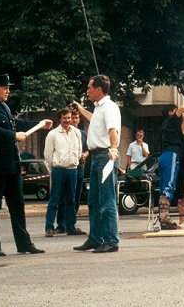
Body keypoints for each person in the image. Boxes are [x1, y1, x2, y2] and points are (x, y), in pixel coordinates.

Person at [0, 73, 52, 257]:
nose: (8, 91)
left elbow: (17, 123)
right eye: (5, 87)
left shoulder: (4, 107)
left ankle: (24, 244)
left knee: (18, 205)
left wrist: (40, 124)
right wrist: (13, 136)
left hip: (11, 164)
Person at [72, 75, 121, 253]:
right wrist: (79, 108)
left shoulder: (109, 107)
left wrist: (113, 149)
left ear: (99, 90)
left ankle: (111, 240)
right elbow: (94, 119)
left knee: (107, 200)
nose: (88, 90)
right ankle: (95, 239)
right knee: (93, 200)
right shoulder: (100, 108)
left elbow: (112, 130)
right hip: (96, 157)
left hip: (105, 156)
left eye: (90, 87)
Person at [43, 108, 86, 237]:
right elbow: (48, 154)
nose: (67, 120)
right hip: (59, 169)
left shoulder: (76, 132)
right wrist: (54, 168)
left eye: (69, 118)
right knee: (54, 199)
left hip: (72, 169)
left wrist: (75, 161)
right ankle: (49, 227)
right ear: (60, 119)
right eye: (65, 118)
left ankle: (70, 226)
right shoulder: (53, 134)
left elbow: (79, 149)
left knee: (71, 200)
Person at [157, 99, 184, 230]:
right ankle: (165, 217)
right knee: (168, 186)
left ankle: (163, 218)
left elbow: (183, 131)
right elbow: (180, 110)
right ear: (170, 113)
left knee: (164, 187)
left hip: (165, 156)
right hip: (171, 155)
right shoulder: (169, 121)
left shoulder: (172, 126)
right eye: (175, 110)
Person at [56, 109, 89, 234]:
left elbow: (87, 149)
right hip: (64, 167)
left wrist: (85, 154)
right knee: (63, 196)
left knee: (75, 195)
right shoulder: (60, 132)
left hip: (78, 166)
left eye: (76, 118)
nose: (74, 121)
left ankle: (71, 223)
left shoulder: (82, 133)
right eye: (72, 118)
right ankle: (61, 224)